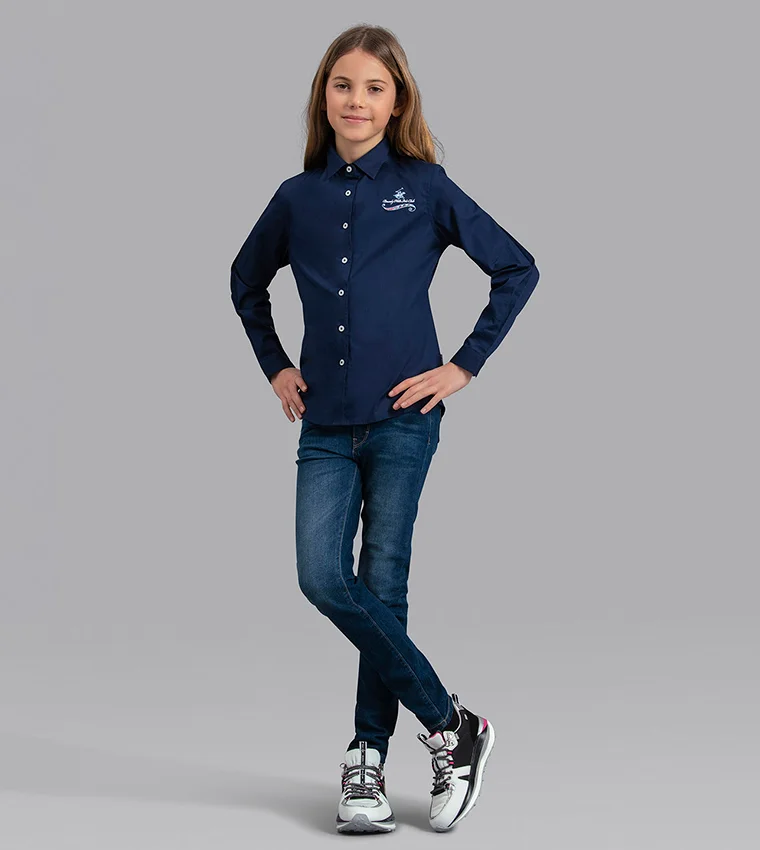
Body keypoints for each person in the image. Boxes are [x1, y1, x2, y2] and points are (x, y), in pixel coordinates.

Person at [230, 24, 539, 834]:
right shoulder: (296, 197)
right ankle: (452, 724)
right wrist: (275, 366)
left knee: (384, 583)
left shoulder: (424, 187)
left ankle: (366, 758)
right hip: (325, 425)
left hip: (406, 419)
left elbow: (517, 266)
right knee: (324, 578)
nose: (356, 101)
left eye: (374, 87)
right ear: (323, 96)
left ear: (397, 101)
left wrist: (462, 366)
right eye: (343, 85)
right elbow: (245, 281)